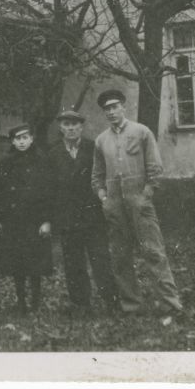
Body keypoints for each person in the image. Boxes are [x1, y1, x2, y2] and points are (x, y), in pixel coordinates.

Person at [91, 89, 183, 321]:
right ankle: (131, 305)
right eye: (107, 109)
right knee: (120, 257)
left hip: (139, 204)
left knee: (153, 253)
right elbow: (97, 176)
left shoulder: (141, 132)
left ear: (123, 107)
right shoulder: (101, 140)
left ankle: (170, 304)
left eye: (115, 106)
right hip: (114, 206)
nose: (111, 112)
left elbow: (155, 167)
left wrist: (147, 194)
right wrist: (103, 198)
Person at [49, 106, 119, 316]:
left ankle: (112, 302)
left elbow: (104, 177)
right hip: (68, 218)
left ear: (81, 127)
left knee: (101, 260)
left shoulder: (93, 148)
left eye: (75, 125)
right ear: (61, 128)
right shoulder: (53, 153)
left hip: (93, 216)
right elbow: (50, 187)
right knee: (73, 263)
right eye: (66, 125)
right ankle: (81, 304)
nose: (71, 129)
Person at [0, 123, 53, 315]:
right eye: (18, 139)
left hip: (35, 220)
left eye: (25, 138)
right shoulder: (6, 162)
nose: (22, 142)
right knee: (17, 263)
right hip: (13, 220)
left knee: (36, 264)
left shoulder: (42, 160)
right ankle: (21, 302)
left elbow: (49, 191)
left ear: (32, 139)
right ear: (12, 141)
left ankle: (35, 302)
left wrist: (46, 220)